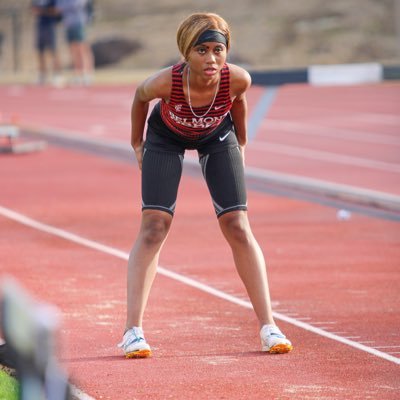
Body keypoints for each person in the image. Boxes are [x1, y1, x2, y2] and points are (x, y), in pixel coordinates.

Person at [118, 12, 293, 358]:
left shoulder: (238, 78)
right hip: (165, 138)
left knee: (238, 225)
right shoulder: (165, 82)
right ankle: (132, 331)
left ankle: (269, 326)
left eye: (218, 49)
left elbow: (238, 102)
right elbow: (140, 97)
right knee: (154, 226)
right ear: (186, 52)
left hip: (217, 136)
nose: (211, 58)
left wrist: (241, 142)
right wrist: (136, 143)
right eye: (201, 50)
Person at [55, 0, 94, 85]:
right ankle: (78, 75)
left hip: (79, 23)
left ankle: (87, 74)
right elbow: (58, 7)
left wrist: (65, 7)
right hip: (68, 24)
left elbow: (76, 5)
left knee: (82, 49)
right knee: (73, 50)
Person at [31, 0, 63, 85]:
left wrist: (44, 11)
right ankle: (42, 75)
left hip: (50, 25)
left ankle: (57, 75)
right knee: (40, 51)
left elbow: (56, 10)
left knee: (53, 51)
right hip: (40, 25)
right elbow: (34, 9)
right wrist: (45, 10)